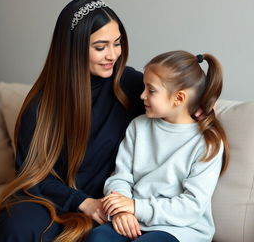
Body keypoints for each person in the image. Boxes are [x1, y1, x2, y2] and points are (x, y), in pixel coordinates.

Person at [0, 0, 145, 242]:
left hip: (108, 203)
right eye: (100, 47)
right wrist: (82, 202)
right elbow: (33, 177)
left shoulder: (130, 85)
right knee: (17, 226)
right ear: (73, 49)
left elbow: (176, 98)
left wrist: (197, 108)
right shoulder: (40, 105)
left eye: (117, 43)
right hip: (50, 200)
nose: (113, 55)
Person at [85, 50, 230, 242]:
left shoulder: (207, 142)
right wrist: (121, 210)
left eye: (151, 90)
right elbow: (120, 177)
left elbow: (191, 206)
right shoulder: (139, 126)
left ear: (178, 98)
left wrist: (135, 207)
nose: (142, 95)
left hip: (179, 230)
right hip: (133, 219)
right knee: (98, 237)